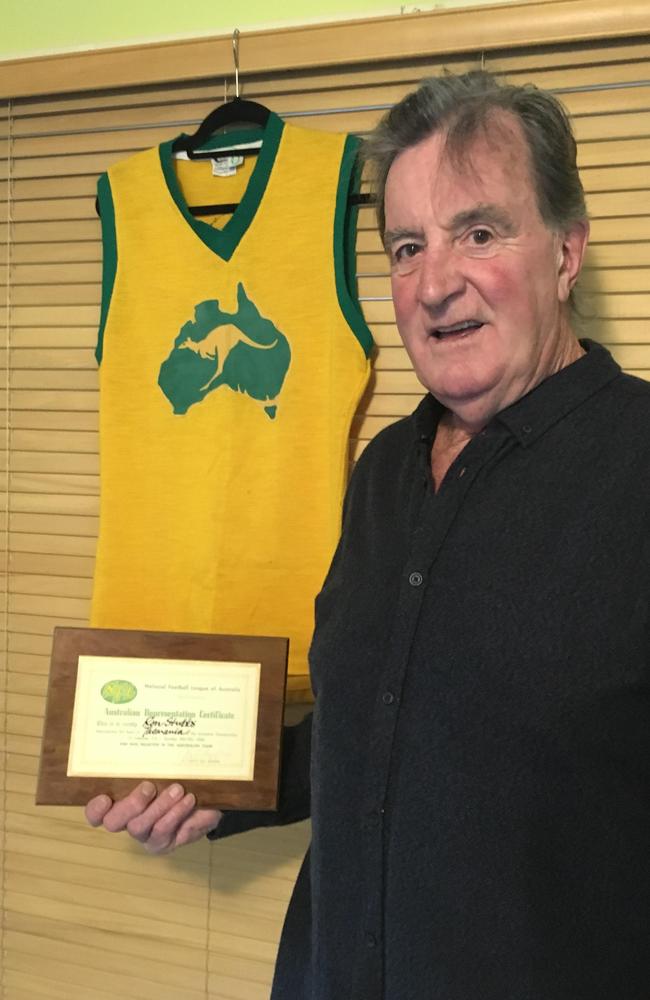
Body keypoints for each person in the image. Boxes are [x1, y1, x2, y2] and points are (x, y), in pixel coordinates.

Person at [86, 71, 650, 999]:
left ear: (565, 250)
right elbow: (369, 736)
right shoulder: (384, 471)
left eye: (479, 232)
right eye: (405, 246)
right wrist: (203, 792)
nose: (434, 283)